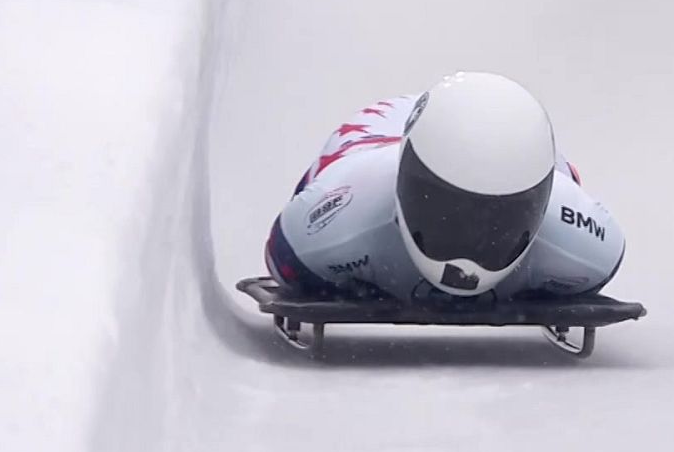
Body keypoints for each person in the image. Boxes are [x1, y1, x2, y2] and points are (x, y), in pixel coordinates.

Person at [264, 72, 625, 303]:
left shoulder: (588, 244)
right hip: (372, 137)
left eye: (497, 219)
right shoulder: (330, 223)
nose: (469, 252)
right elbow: (284, 257)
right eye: (448, 214)